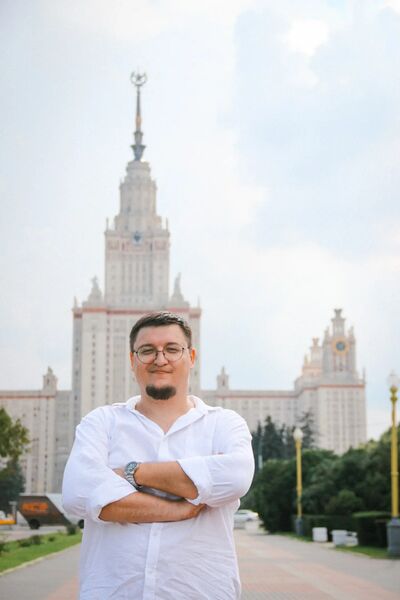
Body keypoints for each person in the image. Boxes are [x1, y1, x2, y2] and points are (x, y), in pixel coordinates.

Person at [62, 311, 254, 600]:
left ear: (191, 357)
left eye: (172, 349)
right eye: (147, 350)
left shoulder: (224, 424)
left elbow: (235, 479)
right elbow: (78, 493)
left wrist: (132, 473)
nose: (160, 359)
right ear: (132, 360)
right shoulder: (101, 422)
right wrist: (179, 509)